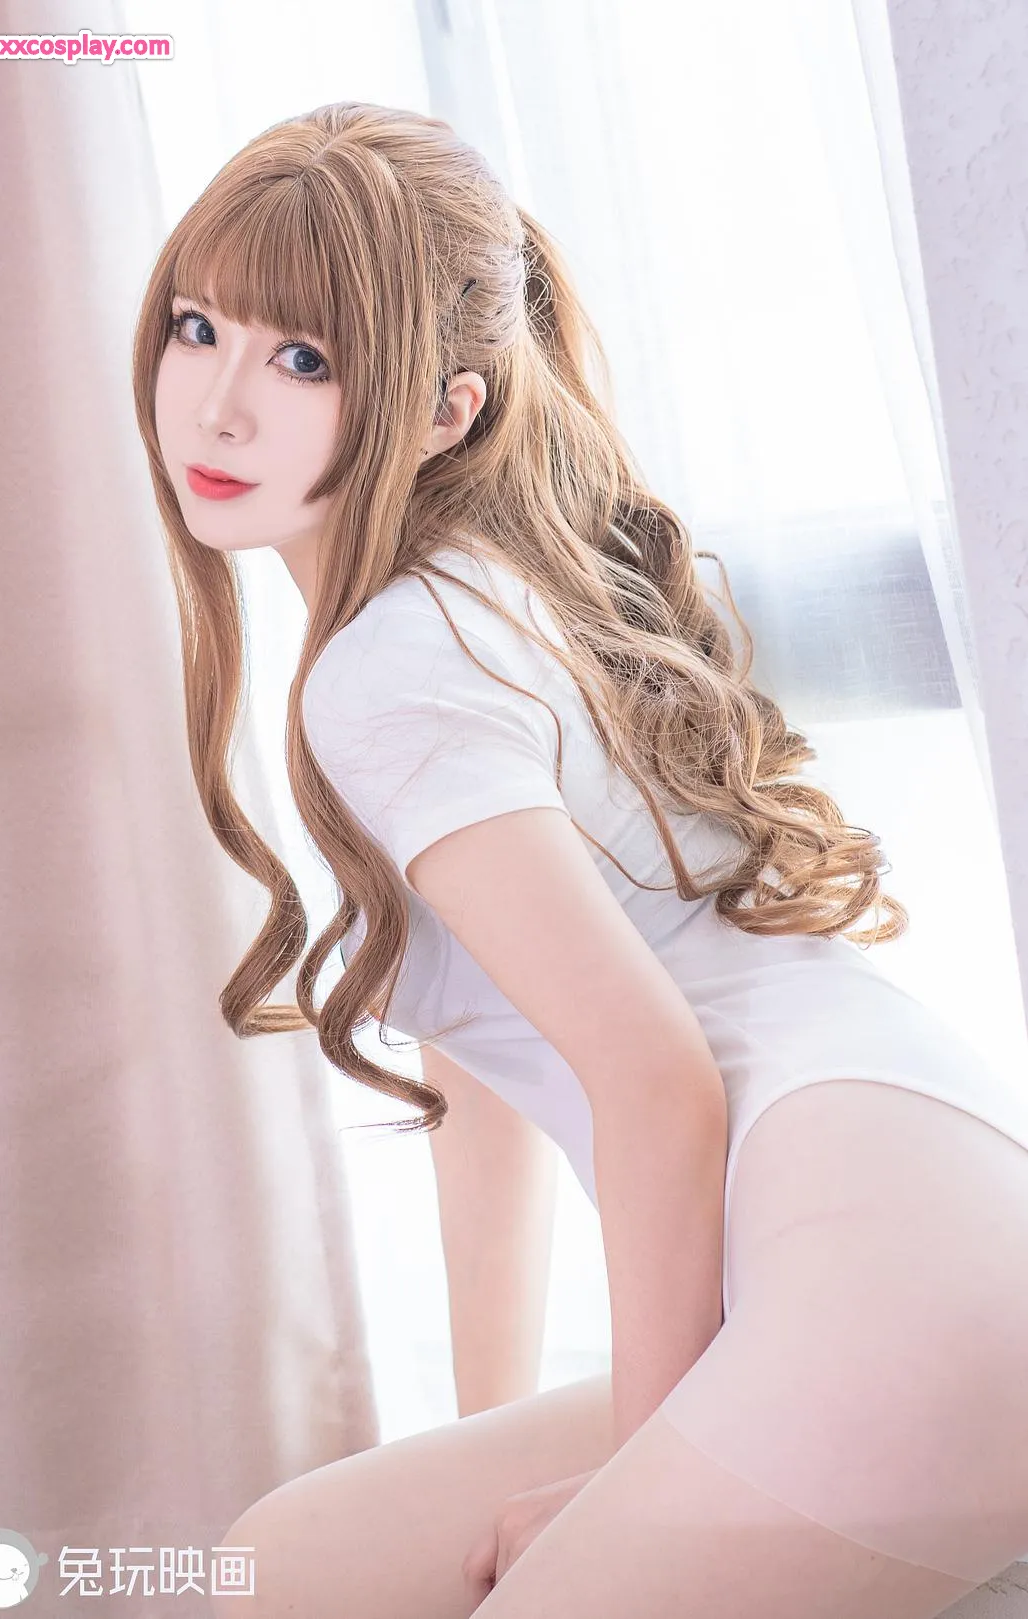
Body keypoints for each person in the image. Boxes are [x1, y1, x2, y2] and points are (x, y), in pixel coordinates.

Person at [132, 99, 1028, 1617]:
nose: (217, 408)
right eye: (199, 326)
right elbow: (491, 1076)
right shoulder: (483, 593)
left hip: (884, 1263)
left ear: (446, 411)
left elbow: (657, 1083)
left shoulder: (391, 663)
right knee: (279, 1572)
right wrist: (490, 1437)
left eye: (305, 361)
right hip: (907, 1214)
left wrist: (618, 1479)